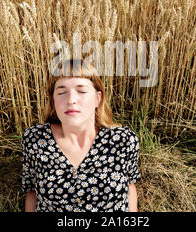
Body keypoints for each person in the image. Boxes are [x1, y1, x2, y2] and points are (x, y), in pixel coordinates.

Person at [22, 58, 141, 212]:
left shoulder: (123, 140)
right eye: (62, 92)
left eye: (82, 91)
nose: (71, 100)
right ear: (53, 101)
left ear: (98, 98)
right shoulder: (35, 139)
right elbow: (32, 192)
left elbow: (130, 187)